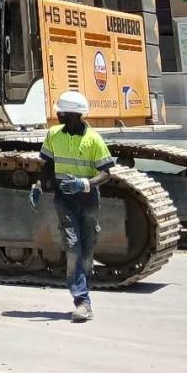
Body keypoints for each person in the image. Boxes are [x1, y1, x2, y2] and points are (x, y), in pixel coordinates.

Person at [36, 89, 114, 322]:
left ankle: (84, 288)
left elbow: (106, 174)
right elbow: (47, 167)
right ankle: (82, 300)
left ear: (73, 115)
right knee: (73, 246)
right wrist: (38, 185)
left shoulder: (94, 140)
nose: (57, 115)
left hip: (88, 200)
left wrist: (85, 184)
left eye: (61, 112)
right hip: (64, 199)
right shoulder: (53, 135)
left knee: (87, 251)